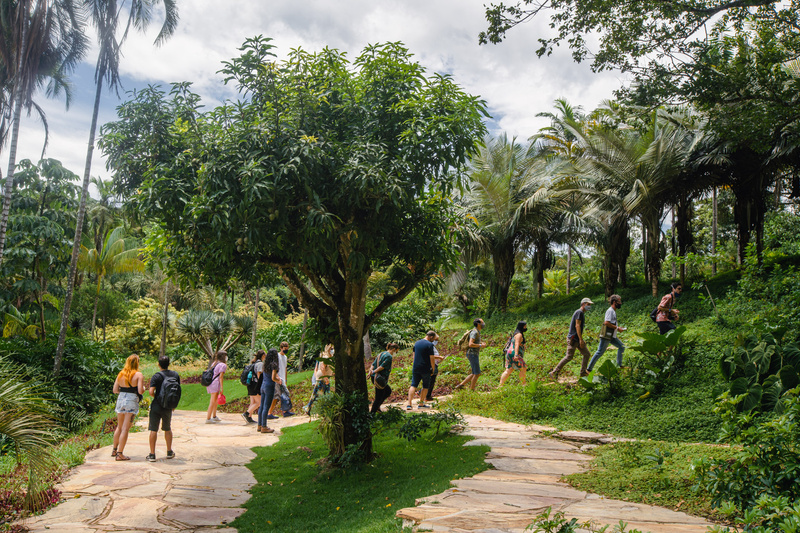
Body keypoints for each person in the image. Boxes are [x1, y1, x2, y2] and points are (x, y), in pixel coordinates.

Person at [549, 298, 594, 379]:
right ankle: (554, 372)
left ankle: (583, 372)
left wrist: (580, 339)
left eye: (590, 305)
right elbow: (577, 326)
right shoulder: (579, 312)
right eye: (588, 304)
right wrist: (581, 339)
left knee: (586, 354)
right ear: (583, 304)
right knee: (569, 356)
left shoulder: (581, 313)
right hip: (573, 339)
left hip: (577, 339)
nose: (589, 306)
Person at [147, 355, 179, 462]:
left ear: (158, 364)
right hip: (168, 406)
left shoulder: (156, 376)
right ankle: (169, 451)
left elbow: (151, 391)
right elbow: (176, 391)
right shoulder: (175, 375)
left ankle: (152, 454)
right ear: (169, 364)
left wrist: (157, 397)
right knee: (167, 428)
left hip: (157, 405)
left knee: (153, 429)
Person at [112, 354, 144, 461]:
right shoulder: (138, 375)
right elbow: (140, 391)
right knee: (125, 428)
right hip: (131, 400)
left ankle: (114, 450)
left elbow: (115, 390)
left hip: (121, 399)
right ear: (137, 363)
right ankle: (120, 454)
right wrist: (143, 388)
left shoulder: (121, 374)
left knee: (119, 427)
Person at [586, 295, 627, 372]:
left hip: (612, 336)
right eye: (619, 301)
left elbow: (611, 323)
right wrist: (617, 328)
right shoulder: (610, 311)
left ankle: (619, 365)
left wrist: (618, 328)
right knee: (600, 352)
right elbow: (606, 323)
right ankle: (589, 369)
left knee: (621, 347)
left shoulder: (613, 311)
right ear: (614, 302)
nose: (620, 303)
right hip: (607, 336)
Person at [406, 330, 437, 410]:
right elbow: (432, 358)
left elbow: (414, 356)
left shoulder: (417, 343)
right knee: (425, 386)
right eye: (433, 339)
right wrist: (433, 369)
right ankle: (421, 404)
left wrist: (415, 365)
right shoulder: (429, 344)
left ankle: (409, 404)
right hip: (425, 368)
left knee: (413, 385)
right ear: (431, 337)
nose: (433, 340)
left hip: (416, 367)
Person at [455, 318, 486, 391]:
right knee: (477, 373)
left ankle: (461, 385)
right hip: (472, 354)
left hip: (473, 354)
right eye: (482, 322)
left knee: (473, 373)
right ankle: (472, 390)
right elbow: (470, 344)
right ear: (478, 324)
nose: (483, 324)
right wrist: (480, 345)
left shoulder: (477, 331)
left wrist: (480, 344)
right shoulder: (474, 332)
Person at [369, 342, 399, 413]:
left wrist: (370, 371)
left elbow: (373, 364)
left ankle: (377, 407)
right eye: (396, 352)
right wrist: (373, 372)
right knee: (379, 397)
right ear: (394, 349)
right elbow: (382, 367)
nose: (396, 353)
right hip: (379, 378)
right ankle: (372, 413)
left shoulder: (381, 353)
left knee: (387, 391)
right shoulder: (389, 356)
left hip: (374, 377)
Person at [304, 344, 333, 413]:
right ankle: (308, 409)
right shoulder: (326, 357)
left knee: (325, 394)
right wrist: (326, 378)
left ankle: (323, 410)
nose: (332, 350)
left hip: (324, 377)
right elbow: (322, 368)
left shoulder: (330, 357)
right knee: (317, 394)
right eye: (331, 348)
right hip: (321, 378)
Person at [268, 342, 294, 417]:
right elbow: (274, 368)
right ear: (281, 348)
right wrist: (277, 377)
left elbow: (285, 368)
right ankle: (269, 413)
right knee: (276, 396)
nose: (286, 350)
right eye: (285, 349)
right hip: (277, 379)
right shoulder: (277, 356)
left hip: (282, 379)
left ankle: (285, 411)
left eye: (287, 349)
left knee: (286, 395)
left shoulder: (285, 357)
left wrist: (285, 380)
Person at [257, 348, 279, 433]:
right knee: (266, 406)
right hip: (269, 386)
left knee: (262, 406)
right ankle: (264, 426)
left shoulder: (265, 364)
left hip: (263, 386)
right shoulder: (274, 364)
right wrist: (278, 381)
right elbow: (273, 378)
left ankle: (259, 425)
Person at [499, 321, 528, 386]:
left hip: (510, 353)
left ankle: (500, 385)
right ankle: (524, 384)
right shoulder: (519, 334)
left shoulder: (516, 333)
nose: (526, 327)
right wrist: (516, 354)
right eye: (525, 326)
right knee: (523, 367)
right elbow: (517, 344)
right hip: (514, 353)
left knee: (509, 369)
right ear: (522, 326)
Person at [242, 350, 264, 424]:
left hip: (250, 385)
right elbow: (259, 375)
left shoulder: (254, 363)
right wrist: (261, 385)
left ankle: (249, 417)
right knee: (259, 402)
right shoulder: (260, 364)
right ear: (263, 356)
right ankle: (247, 413)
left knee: (253, 402)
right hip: (255, 385)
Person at [205, 350, 227, 424]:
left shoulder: (215, 363)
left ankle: (214, 416)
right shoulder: (223, 365)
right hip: (215, 384)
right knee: (212, 401)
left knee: (215, 401)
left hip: (211, 383)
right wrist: (222, 387)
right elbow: (221, 377)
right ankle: (208, 418)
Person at [427, 334, 446, 400]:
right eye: (435, 338)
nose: (436, 340)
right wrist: (439, 357)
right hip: (432, 364)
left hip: (435, 364)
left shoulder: (432, 345)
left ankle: (425, 394)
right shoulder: (429, 345)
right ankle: (426, 395)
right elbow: (430, 356)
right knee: (431, 380)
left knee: (431, 380)